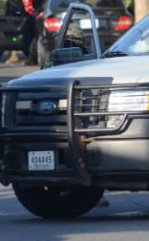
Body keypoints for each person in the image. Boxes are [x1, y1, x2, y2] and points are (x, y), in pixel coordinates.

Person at [39, 22, 109, 207]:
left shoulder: (55, 61)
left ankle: (90, 192)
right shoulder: (84, 61)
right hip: (69, 119)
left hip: (56, 119)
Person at [0, 0, 23, 65]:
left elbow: (2, 5)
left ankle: (14, 56)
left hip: (9, 16)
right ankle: (12, 54)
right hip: (16, 15)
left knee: (11, 37)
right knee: (13, 36)